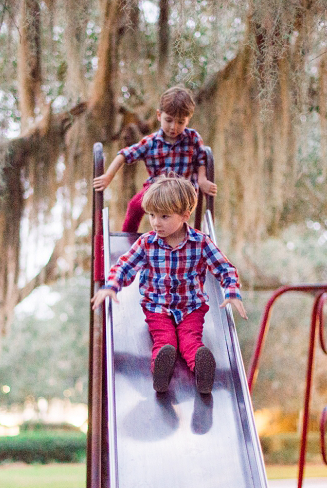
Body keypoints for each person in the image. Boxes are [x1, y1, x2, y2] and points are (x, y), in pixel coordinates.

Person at [91, 177, 246, 394]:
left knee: (190, 339)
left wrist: (231, 292)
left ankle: (202, 369)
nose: (156, 222)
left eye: (164, 216)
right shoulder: (147, 242)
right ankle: (161, 371)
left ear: (185, 215)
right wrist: (111, 286)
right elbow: (125, 265)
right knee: (165, 340)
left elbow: (224, 268)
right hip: (157, 307)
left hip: (191, 307)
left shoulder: (201, 242)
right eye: (152, 215)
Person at [93, 86, 217, 233]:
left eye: (180, 122)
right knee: (134, 206)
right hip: (155, 188)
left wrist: (202, 180)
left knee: (174, 216)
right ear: (159, 115)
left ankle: (177, 240)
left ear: (188, 120)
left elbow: (201, 159)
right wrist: (108, 177)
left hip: (182, 192)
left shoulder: (193, 138)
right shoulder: (151, 142)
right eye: (169, 120)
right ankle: (128, 239)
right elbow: (124, 155)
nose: (174, 127)